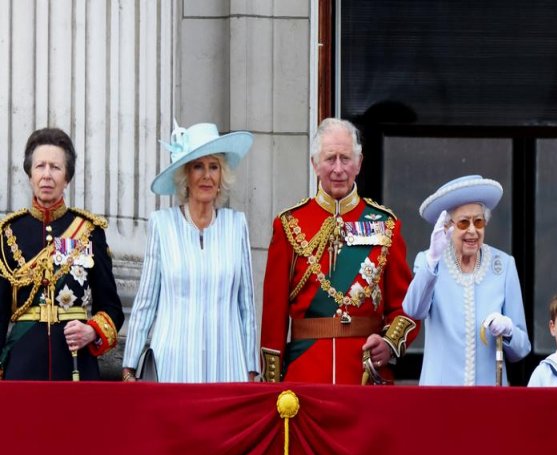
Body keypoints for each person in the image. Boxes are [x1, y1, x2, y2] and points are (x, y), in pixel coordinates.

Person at [260, 117, 418, 384]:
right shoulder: (289, 224)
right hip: (305, 375)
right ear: (314, 164)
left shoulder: (385, 225)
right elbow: (273, 315)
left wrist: (389, 343)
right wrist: (272, 383)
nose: (338, 169)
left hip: (365, 375)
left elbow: (406, 306)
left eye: (345, 158)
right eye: (329, 158)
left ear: (359, 163)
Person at [121, 122, 258, 383]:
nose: (207, 175)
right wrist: (129, 365)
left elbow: (246, 306)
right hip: (173, 362)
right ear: (185, 175)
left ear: (221, 176)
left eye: (214, 167)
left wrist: (251, 367)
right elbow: (146, 301)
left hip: (226, 364)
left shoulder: (236, 225)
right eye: (198, 166)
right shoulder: (162, 224)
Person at [0, 127, 123, 380]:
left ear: (67, 177)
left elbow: (111, 307)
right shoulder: (9, 233)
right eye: (40, 166)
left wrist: (92, 330)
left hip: (75, 364)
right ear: (30, 174)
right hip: (23, 364)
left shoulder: (89, 231)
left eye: (55, 167)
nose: (47, 175)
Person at [403, 175, 531, 385]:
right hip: (440, 396)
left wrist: (508, 331)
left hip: (488, 397)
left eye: (478, 222)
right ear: (447, 227)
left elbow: (521, 349)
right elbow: (413, 310)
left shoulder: (504, 265)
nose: (472, 230)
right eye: (463, 223)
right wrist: (432, 260)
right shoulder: (428, 261)